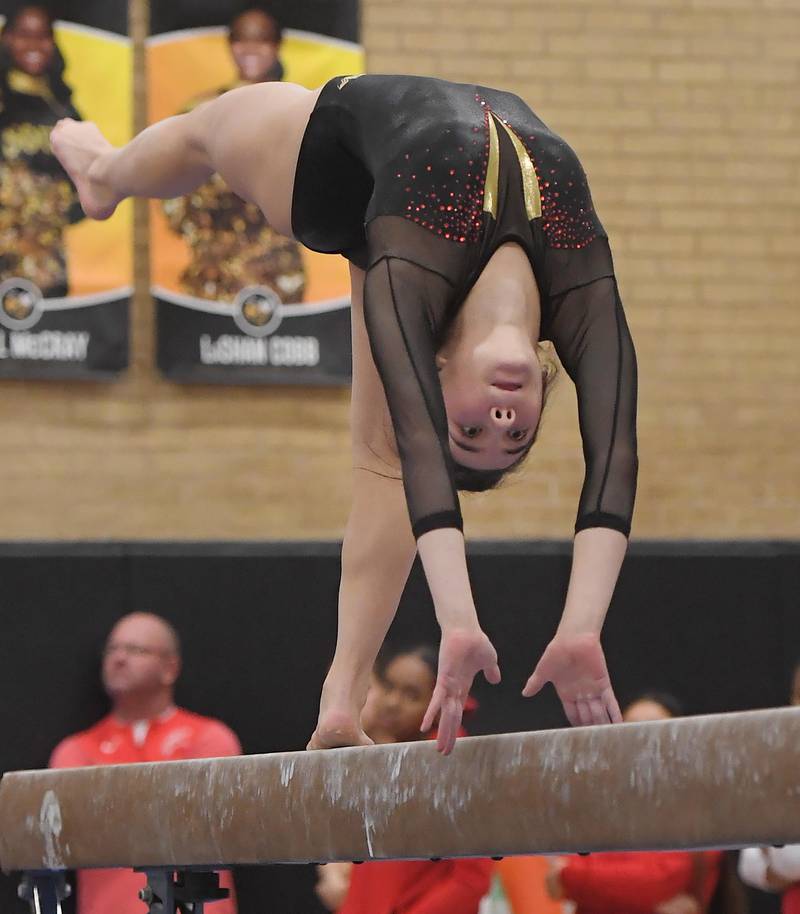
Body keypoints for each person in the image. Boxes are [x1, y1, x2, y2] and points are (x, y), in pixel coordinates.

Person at [49, 72, 639, 755]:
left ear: (434, 376)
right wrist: (580, 629)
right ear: (543, 382)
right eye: (514, 436)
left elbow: (416, 454)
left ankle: (340, 701)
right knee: (392, 455)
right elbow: (615, 457)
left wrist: (457, 622)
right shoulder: (579, 286)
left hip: (330, 174)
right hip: (391, 184)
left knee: (201, 133)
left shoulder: (407, 281)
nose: (501, 421)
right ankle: (104, 174)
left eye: (471, 430)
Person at [50, 612, 240, 914]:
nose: (119, 658)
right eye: (112, 649)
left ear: (170, 668)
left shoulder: (210, 738)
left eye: (135, 650)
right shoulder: (75, 751)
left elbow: (215, 824)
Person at [316, 644, 493, 914]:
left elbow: (471, 880)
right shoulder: (380, 759)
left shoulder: (453, 761)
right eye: (389, 687)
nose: (392, 702)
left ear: (441, 699)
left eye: (411, 694)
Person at [545, 692, 750, 914]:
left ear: (678, 743)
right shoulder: (594, 810)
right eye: (629, 732)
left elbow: (655, 885)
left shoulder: (699, 813)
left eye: (653, 733)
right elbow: (553, 882)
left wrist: (573, 877)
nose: (641, 744)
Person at [161, 6, 306, 303]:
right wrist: (202, 233)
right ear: (230, 45)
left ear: (277, 46)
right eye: (242, 40)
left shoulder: (299, 109)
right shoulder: (203, 109)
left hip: (276, 274)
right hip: (212, 275)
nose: (251, 49)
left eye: (262, 41)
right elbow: (168, 180)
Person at [0, 4, 83, 296]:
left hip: (48, 265)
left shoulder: (62, 105)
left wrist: (53, 207)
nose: (34, 45)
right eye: (24, 34)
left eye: (43, 36)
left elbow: (85, 178)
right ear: (6, 37)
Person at [738, 660, 800, 913]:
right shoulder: (781, 767)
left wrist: (778, 861)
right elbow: (748, 866)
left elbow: (789, 862)